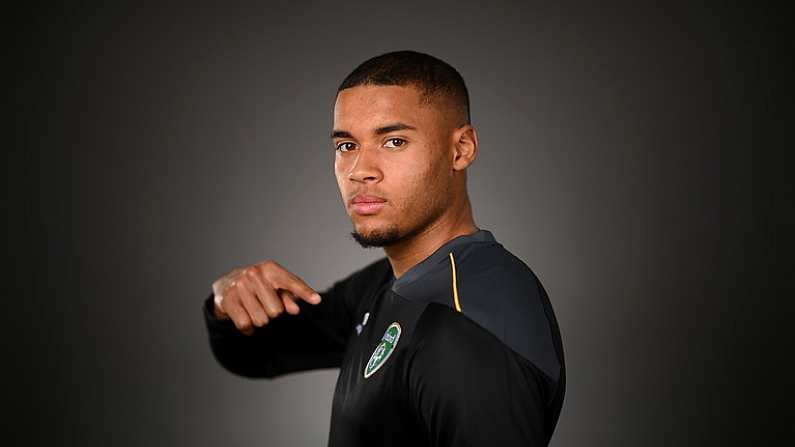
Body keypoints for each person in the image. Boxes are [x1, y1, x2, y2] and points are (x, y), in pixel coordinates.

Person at [202, 50, 565, 446]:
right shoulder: (393, 279)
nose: (360, 170)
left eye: (393, 141)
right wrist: (227, 302)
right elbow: (261, 353)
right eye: (346, 146)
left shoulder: (467, 327)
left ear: (460, 149)